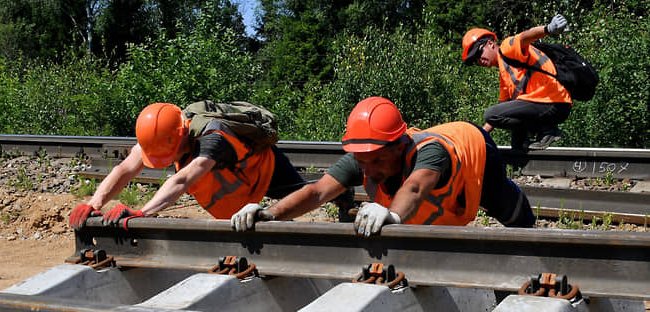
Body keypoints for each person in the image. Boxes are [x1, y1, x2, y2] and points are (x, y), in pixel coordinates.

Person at [230, 96, 535, 236]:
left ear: (400, 145)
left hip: (476, 147)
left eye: (376, 159)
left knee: (506, 209)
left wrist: (391, 214)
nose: (368, 168)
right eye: (363, 160)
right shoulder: (364, 156)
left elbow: (415, 187)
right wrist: (269, 213)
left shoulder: (431, 154)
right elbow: (316, 193)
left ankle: (528, 227)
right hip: (443, 176)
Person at [68, 102, 308, 229]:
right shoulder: (163, 135)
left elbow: (182, 180)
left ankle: (343, 200)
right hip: (236, 194)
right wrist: (93, 204)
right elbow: (125, 169)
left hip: (262, 171)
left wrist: (142, 212)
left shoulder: (213, 137)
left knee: (305, 196)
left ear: (182, 135)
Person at [462, 15, 572, 151]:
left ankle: (547, 130)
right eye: (475, 60)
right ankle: (531, 152)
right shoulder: (504, 72)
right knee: (518, 144)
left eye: (478, 53)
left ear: (490, 44)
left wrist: (548, 29)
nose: (479, 60)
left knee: (490, 114)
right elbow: (502, 107)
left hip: (552, 102)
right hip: (547, 105)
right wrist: (482, 134)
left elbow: (524, 37)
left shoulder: (506, 47)